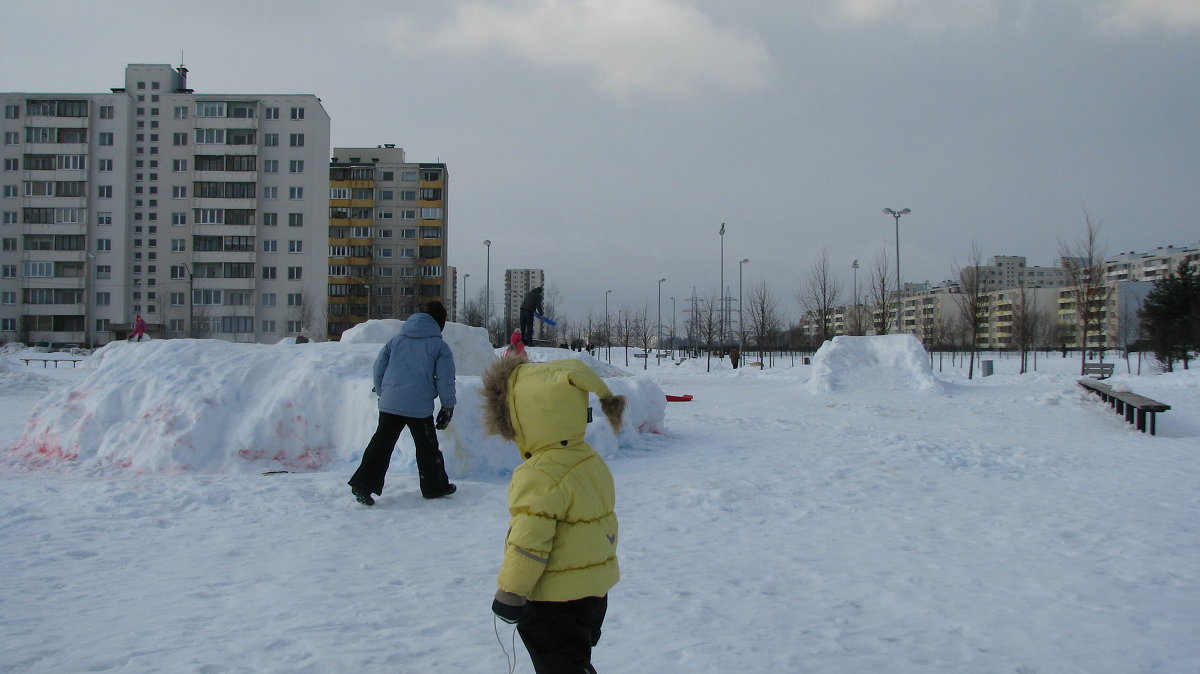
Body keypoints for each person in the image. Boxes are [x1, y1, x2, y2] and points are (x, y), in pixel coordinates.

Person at [481, 353, 625, 673]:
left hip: (554, 602)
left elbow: (529, 542)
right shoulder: (588, 459)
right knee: (574, 659)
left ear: (526, 416)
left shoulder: (540, 474)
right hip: (592, 594)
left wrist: (511, 593)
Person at [348, 301, 456, 505]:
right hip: (419, 406)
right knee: (427, 448)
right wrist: (447, 406)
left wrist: (383, 393)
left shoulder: (396, 340)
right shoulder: (439, 346)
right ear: (439, 322)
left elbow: (378, 368)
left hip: (390, 402)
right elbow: (445, 379)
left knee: (381, 444)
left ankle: (363, 483)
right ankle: (434, 486)